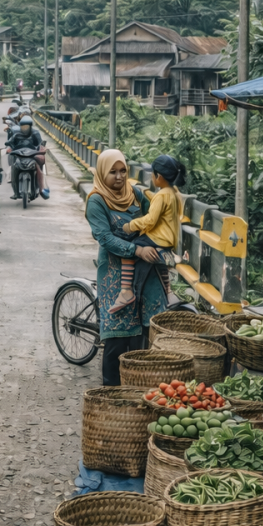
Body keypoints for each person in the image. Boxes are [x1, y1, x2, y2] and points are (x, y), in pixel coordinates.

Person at [85, 149, 169, 385]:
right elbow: (105, 237)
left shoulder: (135, 193)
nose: (119, 177)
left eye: (123, 171)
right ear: (102, 173)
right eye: (113, 172)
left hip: (144, 270)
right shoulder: (96, 200)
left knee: (144, 331)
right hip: (114, 271)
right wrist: (137, 250)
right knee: (118, 336)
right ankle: (111, 392)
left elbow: (155, 216)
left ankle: (136, 388)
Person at [110, 155, 185, 313]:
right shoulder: (174, 193)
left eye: (152, 174)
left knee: (130, 249)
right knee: (160, 265)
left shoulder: (161, 196)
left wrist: (130, 225)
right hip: (168, 239)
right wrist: (147, 195)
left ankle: (126, 290)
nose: (151, 177)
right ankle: (169, 291)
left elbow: (150, 220)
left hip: (157, 238)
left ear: (159, 176)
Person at [5, 116, 50, 200]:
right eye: (23, 126)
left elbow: (40, 144)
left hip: (32, 157)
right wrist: (9, 147)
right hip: (19, 156)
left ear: (30, 126)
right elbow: (10, 142)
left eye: (26, 126)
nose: (25, 128)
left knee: (39, 169)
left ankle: (41, 188)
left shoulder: (35, 133)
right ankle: (16, 192)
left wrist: (42, 149)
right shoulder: (16, 134)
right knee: (13, 168)